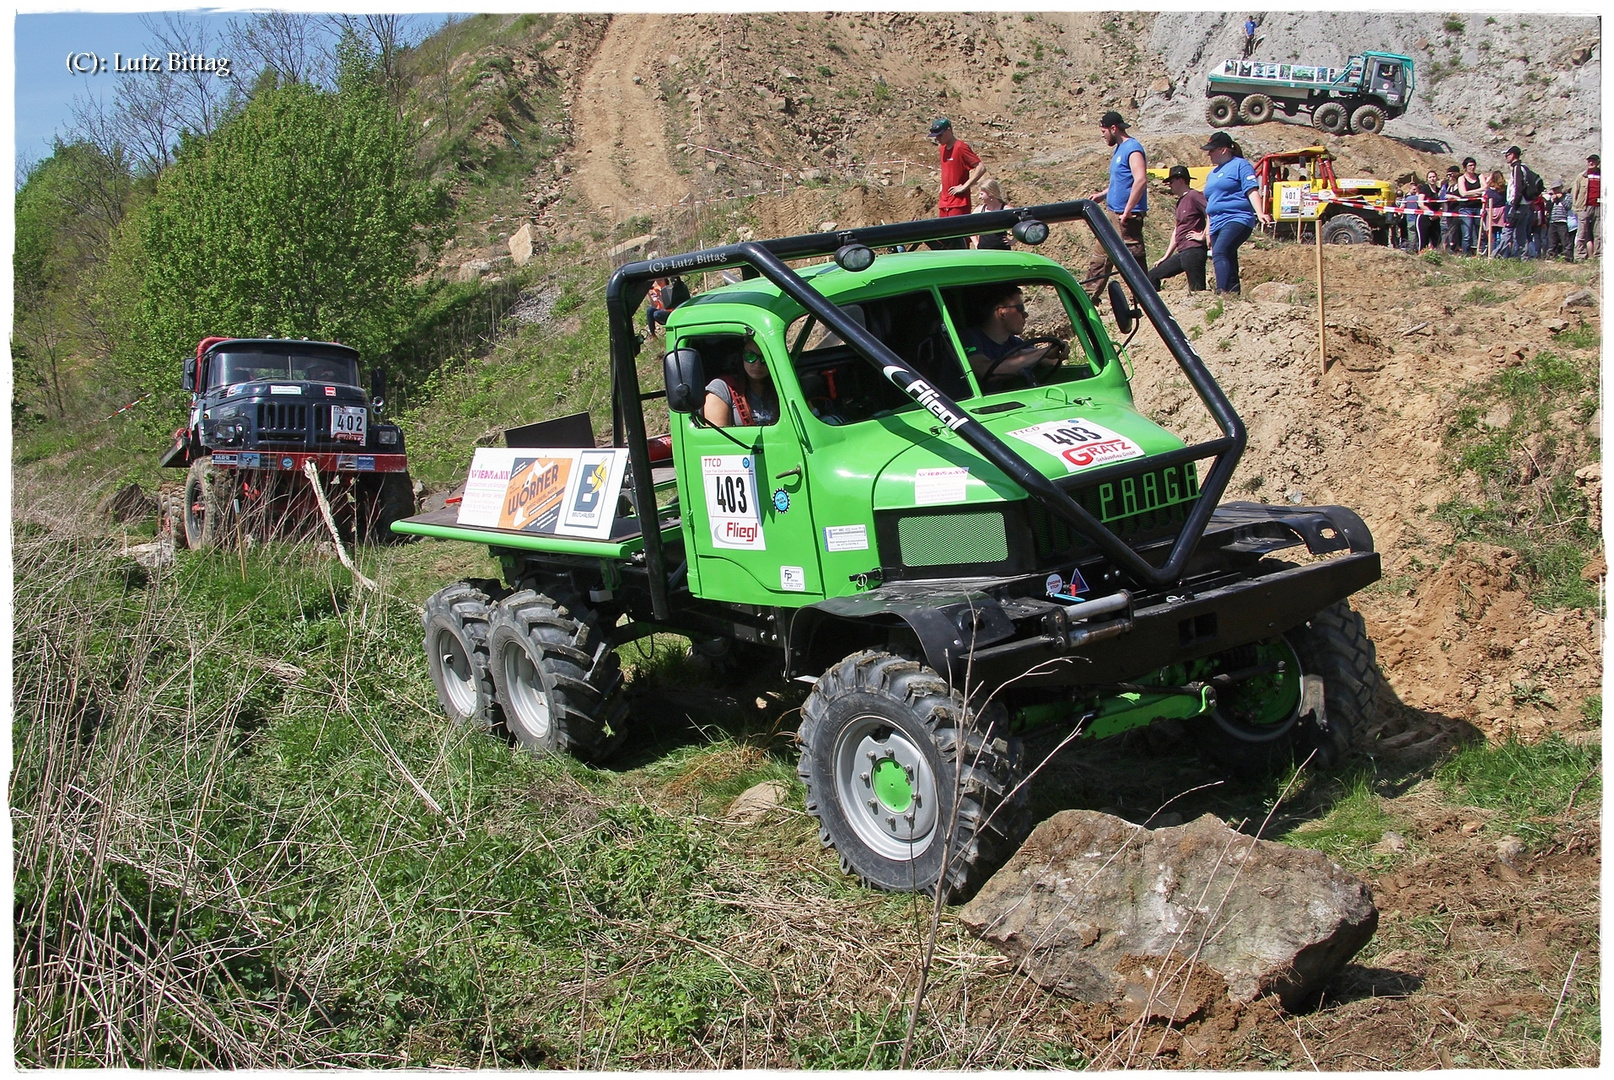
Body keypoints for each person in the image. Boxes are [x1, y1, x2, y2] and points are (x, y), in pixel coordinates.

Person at [1083, 111, 1148, 301]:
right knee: (1100, 257)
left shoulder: (1133, 148)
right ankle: (1087, 298)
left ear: (1114, 128)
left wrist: (1127, 210)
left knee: (1132, 259)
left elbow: (1141, 179)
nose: (1102, 135)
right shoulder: (1119, 149)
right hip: (1113, 213)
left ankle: (1143, 298)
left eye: (1104, 131)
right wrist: (1103, 195)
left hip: (1126, 216)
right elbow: (1120, 181)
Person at [958, 284, 1066, 388]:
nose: (1026, 315)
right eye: (1020, 309)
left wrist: (1056, 351)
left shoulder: (1013, 343)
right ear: (1002, 312)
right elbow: (984, 370)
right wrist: (1041, 353)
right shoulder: (968, 338)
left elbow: (1050, 361)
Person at [1200, 131, 1269, 295]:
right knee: (1228, 256)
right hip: (1216, 221)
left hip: (1236, 217)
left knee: (1220, 251)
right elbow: (1211, 202)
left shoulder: (1241, 165)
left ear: (1223, 150)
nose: (1209, 154)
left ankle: (1221, 292)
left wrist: (1260, 212)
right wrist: (1208, 230)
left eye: (1212, 150)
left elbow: (1251, 189)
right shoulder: (1212, 174)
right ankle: (1233, 294)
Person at [1147, 165, 1209, 292]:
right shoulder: (1180, 201)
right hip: (1182, 251)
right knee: (1152, 275)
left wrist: (1203, 235)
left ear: (1181, 180)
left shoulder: (1194, 195)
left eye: (1171, 181)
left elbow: (1211, 213)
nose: (1169, 185)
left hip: (1194, 250)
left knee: (1197, 289)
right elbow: (1177, 229)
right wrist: (1166, 256)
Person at [927, 118, 984, 249]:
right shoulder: (942, 149)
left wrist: (965, 186)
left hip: (958, 202)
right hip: (945, 201)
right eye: (935, 136)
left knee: (958, 237)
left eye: (940, 135)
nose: (937, 139)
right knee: (943, 236)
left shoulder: (961, 147)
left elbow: (980, 167)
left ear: (949, 130)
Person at [703, 339, 779, 427]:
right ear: (741, 356)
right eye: (750, 356)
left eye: (764, 358)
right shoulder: (721, 388)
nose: (757, 364)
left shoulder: (781, 388)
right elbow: (718, 439)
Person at [1503, 145, 1539, 260]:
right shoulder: (1524, 167)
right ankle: (1522, 257)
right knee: (1521, 233)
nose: (1506, 157)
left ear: (1513, 155)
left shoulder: (1517, 168)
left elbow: (1518, 188)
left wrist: (1514, 205)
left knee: (1508, 231)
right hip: (1525, 204)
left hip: (1517, 204)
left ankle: (1497, 255)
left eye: (1507, 155)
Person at [1455, 157, 1485, 255]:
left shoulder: (1480, 176)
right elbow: (1463, 193)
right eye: (1470, 165)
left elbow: (1485, 188)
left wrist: (1470, 193)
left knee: (1480, 231)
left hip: (1478, 207)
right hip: (1465, 208)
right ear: (1465, 167)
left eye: (1473, 165)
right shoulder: (1461, 178)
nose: (1472, 167)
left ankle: (1480, 252)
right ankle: (1465, 254)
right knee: (1467, 233)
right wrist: (1478, 192)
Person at [1572, 154, 1599, 260]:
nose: (1590, 163)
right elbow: (1575, 192)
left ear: (1598, 162)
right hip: (1583, 207)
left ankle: (1599, 256)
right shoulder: (1581, 176)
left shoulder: (1604, 175)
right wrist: (1575, 207)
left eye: (1593, 161)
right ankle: (1580, 256)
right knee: (1582, 232)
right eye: (1589, 161)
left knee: (1598, 233)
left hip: (1599, 207)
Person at [973, 177, 1012, 250]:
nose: (979, 197)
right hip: (983, 251)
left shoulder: (1006, 210)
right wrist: (976, 243)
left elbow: (1021, 225)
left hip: (1002, 251)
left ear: (990, 193)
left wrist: (1013, 241)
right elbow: (969, 227)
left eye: (981, 194)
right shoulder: (979, 210)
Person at [1546, 181, 1574, 260]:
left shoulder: (1567, 196)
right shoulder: (1551, 197)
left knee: (1565, 240)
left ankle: (1567, 256)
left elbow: (1568, 206)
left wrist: (1561, 198)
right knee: (1552, 240)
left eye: (1557, 188)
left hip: (1562, 221)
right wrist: (1551, 201)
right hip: (1552, 221)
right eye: (1554, 189)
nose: (1555, 191)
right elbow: (1548, 208)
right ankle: (1551, 255)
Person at [1484, 170, 1510, 256]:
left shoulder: (1489, 192)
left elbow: (1485, 199)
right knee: (1502, 235)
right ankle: (1502, 254)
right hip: (1502, 212)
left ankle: (1492, 254)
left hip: (1491, 212)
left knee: (1492, 236)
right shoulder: (1504, 191)